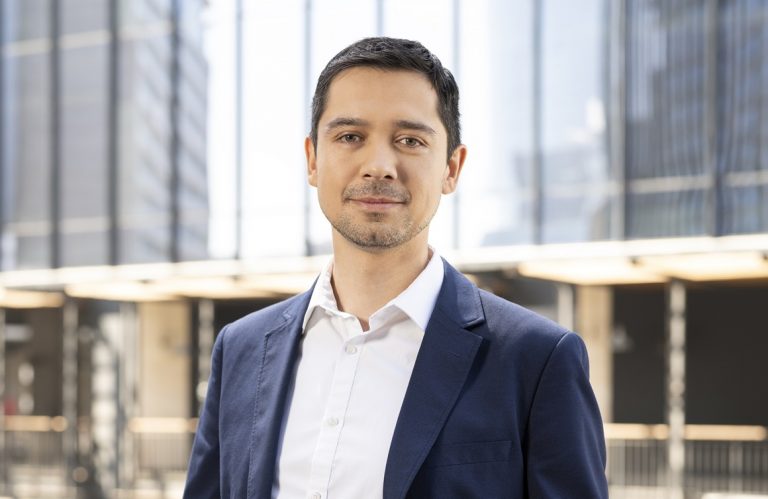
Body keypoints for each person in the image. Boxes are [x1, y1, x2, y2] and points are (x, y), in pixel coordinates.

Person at [184, 37, 608, 499]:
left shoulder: (537, 359)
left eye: (410, 140)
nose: (379, 166)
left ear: (451, 168)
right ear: (312, 159)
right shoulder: (241, 349)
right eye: (350, 137)